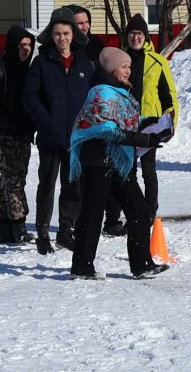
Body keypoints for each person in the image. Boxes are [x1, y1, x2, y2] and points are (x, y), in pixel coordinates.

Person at [68, 47, 164, 280]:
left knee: (139, 210)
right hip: (97, 161)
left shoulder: (121, 92)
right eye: (124, 66)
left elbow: (124, 121)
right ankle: (81, 267)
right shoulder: (100, 93)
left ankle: (141, 264)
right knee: (92, 215)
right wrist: (143, 139)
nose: (128, 71)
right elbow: (108, 130)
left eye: (129, 66)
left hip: (118, 162)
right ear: (111, 68)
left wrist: (147, 122)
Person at [23, 12, 95, 254]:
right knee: (47, 184)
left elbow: (93, 98)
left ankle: (66, 231)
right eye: (57, 34)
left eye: (66, 33)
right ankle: (42, 232)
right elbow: (30, 97)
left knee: (73, 185)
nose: (62, 38)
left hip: (77, 138)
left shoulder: (85, 64)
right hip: (50, 137)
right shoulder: (42, 62)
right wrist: (46, 121)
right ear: (51, 36)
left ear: (73, 34)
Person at [0, 24, 37, 245]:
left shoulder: (27, 71)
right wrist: (9, 125)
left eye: (29, 45)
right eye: (21, 45)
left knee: (11, 178)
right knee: (13, 179)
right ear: (12, 45)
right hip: (1, 133)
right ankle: (18, 225)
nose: (26, 49)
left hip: (22, 132)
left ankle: (5, 227)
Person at [122, 14, 177, 207]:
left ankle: (150, 210)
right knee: (126, 171)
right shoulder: (121, 59)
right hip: (125, 124)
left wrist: (171, 125)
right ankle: (133, 211)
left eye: (139, 33)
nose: (135, 37)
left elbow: (169, 96)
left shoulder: (157, 61)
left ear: (145, 36)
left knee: (148, 171)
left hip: (148, 125)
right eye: (131, 33)